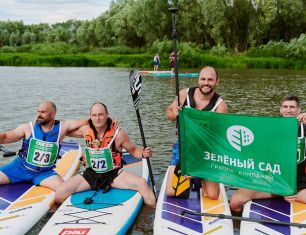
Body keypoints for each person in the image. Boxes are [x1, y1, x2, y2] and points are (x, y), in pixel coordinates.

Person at [55, 102, 156, 207]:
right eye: (94, 115)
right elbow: (65, 129)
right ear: (90, 117)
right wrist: (87, 121)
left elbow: (134, 151)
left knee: (142, 184)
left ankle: (151, 212)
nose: (98, 118)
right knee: (60, 194)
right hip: (91, 175)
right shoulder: (86, 130)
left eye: (101, 115)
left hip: (113, 175)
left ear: (107, 115)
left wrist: (144, 153)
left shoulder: (118, 134)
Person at [230, 95, 306, 213]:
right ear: (280, 110)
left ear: (299, 110)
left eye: (292, 107)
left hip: (299, 185)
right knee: (235, 201)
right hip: (273, 183)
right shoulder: (270, 130)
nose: (288, 110)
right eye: (285, 107)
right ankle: (239, 225)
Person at [166, 66, 228, 199]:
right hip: (184, 149)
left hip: (206, 152)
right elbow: (169, 114)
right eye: (203, 79)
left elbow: (221, 139)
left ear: (217, 81)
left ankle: (198, 178)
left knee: (213, 195)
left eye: (210, 80)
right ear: (198, 80)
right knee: (171, 193)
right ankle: (181, 172)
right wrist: (174, 113)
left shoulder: (220, 107)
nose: (206, 83)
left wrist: (198, 169)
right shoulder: (184, 94)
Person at [0, 101, 87, 191]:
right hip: (19, 168)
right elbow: (5, 137)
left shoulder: (62, 128)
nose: (39, 114)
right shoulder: (28, 128)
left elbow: (86, 123)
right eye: (38, 111)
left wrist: (87, 136)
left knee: (64, 190)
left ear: (52, 114)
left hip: (44, 173)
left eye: (43, 112)